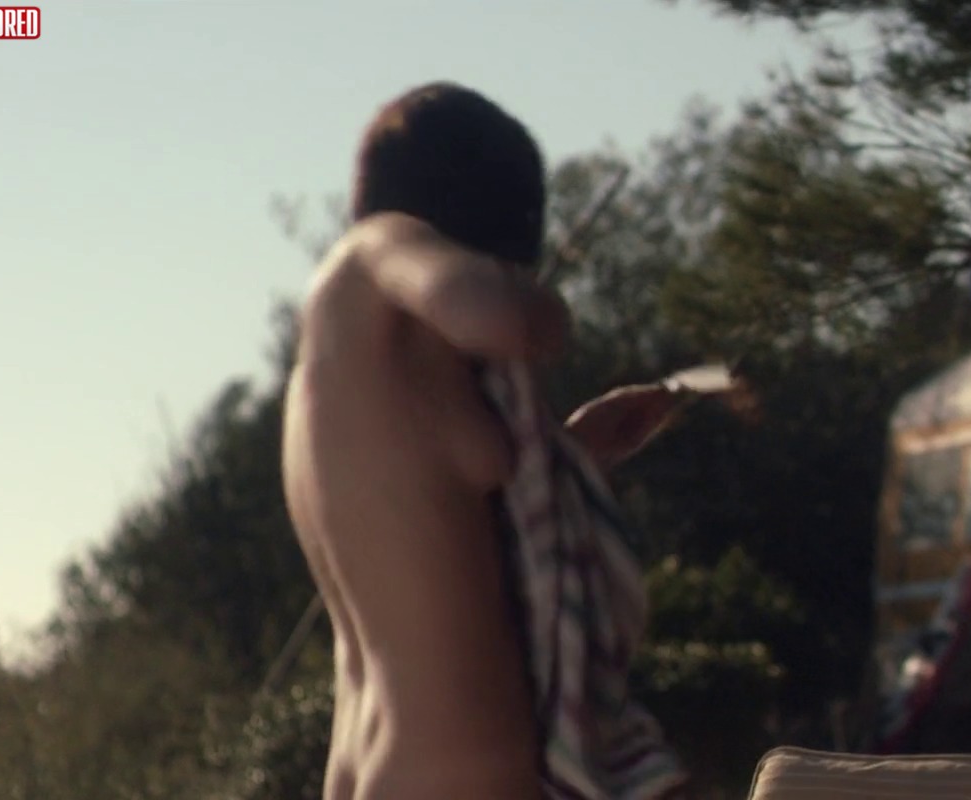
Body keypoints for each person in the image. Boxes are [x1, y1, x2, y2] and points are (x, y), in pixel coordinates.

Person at [281, 82, 686, 800]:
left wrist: (573, 452)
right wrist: (547, 310)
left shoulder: (366, 376)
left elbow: (437, 539)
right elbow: (496, 314)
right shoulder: (372, 252)